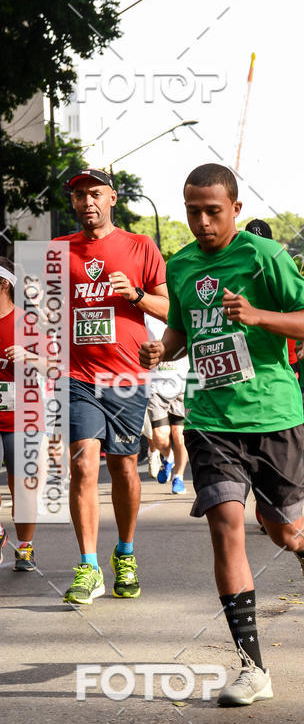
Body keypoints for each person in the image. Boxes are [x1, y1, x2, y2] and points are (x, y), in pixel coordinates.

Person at [140, 163, 304, 707]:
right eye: (192, 210)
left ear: (236, 209)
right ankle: (252, 668)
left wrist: (257, 315)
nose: (201, 221)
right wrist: (164, 349)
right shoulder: (179, 265)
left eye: (212, 211)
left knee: (280, 530)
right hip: (208, 417)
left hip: (271, 414)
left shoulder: (264, 257)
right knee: (226, 524)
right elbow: (181, 330)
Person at [55, 168, 168, 605]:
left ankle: (124, 554)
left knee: (123, 466)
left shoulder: (141, 246)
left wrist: (135, 295)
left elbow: (168, 309)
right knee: (83, 465)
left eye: (95, 194)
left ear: (113, 198)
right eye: (80, 195)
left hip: (125, 374)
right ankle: (87, 566)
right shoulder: (56, 250)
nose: (88, 202)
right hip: (77, 375)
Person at [0, 258, 44, 570]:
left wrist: (29, 355)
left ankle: (25, 547)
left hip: (23, 416)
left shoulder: (26, 323)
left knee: (23, 487)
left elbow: (56, 366)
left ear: (4, 284)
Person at [144, 314, 189, 493]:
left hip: (182, 384)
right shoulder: (147, 314)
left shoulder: (181, 307)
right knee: (160, 437)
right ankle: (168, 456)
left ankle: (178, 478)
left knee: (179, 435)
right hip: (156, 385)